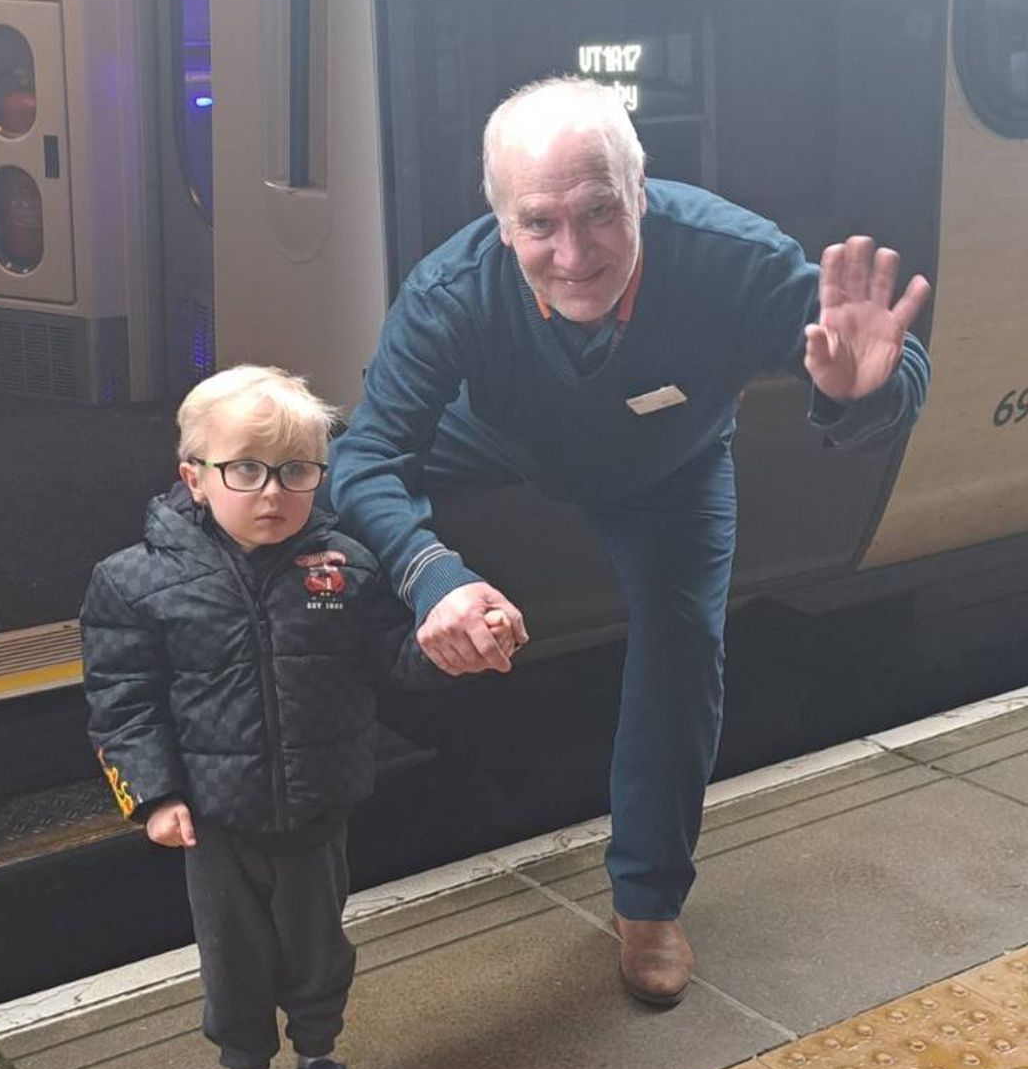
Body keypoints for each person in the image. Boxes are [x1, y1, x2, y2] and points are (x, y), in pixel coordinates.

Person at [329, 77, 931, 1009]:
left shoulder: (728, 256)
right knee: (325, 483)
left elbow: (889, 365)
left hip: (670, 465)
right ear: (500, 225)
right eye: (539, 224)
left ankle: (649, 902)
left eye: (601, 210)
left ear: (641, 187)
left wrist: (866, 392)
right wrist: (433, 575)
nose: (573, 253)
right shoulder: (453, 290)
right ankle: (345, 709)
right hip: (498, 431)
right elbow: (370, 453)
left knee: (684, 646)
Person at [80, 364, 445, 1069]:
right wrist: (152, 794)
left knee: (320, 950)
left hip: (317, 809)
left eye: (296, 471)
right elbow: (121, 698)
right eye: (244, 469)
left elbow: (390, 657)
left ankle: (320, 1065)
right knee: (233, 958)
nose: (272, 491)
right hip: (215, 816)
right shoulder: (135, 581)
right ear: (194, 479)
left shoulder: (347, 567)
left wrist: (442, 647)